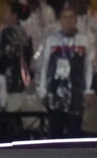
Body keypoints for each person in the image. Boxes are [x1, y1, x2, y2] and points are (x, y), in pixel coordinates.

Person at [38, 7, 94, 138]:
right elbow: (45, 66)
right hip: (55, 88)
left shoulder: (84, 40)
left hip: (76, 90)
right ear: (60, 21)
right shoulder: (51, 40)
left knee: (74, 130)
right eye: (65, 17)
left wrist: (88, 90)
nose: (68, 21)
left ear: (76, 20)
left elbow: (88, 66)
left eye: (71, 17)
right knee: (55, 130)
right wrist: (42, 89)